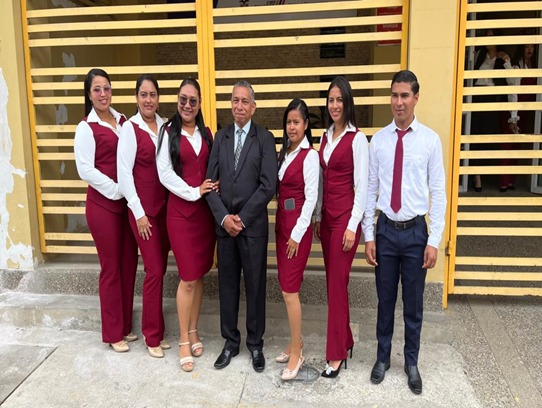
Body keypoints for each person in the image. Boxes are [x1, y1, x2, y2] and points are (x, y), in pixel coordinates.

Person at [363, 70, 446, 395]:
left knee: (413, 304)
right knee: (385, 301)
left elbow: (438, 192)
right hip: (385, 231)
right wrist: (369, 234)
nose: (399, 102)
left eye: (405, 96)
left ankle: (411, 362)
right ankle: (382, 357)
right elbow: (370, 189)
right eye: (394, 95)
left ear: (416, 98)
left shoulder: (430, 141)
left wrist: (434, 240)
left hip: (415, 234)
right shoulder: (379, 141)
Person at [205, 80, 278, 372]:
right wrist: (225, 218)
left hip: (253, 227)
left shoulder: (265, 138)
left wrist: (242, 218)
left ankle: (256, 344)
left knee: (256, 286)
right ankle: (230, 342)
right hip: (225, 229)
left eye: (245, 101)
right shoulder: (220, 138)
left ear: (253, 107)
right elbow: (209, 184)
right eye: (235, 100)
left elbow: (268, 185)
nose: (239, 106)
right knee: (227, 285)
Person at [74, 68, 138, 353]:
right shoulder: (86, 128)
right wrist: (116, 189)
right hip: (103, 206)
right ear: (89, 95)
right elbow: (85, 170)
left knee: (128, 264)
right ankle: (113, 333)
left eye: (107, 88)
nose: (103, 94)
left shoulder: (123, 120)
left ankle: (124, 325)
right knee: (111, 268)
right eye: (97, 89)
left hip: (126, 204)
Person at [157, 78, 216, 372]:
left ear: (200, 103)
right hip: (181, 214)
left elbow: (213, 169)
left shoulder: (207, 133)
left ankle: (194, 330)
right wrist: (194, 192)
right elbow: (164, 174)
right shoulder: (168, 132)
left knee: (200, 274)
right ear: (177, 100)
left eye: (193, 100)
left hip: (204, 216)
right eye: (183, 99)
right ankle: (182, 339)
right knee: (187, 278)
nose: (187, 105)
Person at [313, 76, 369, 379]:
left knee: (336, 286)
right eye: (331, 100)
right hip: (327, 219)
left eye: (339, 100)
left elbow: (363, 187)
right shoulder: (325, 136)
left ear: (348, 102)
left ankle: (335, 354)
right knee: (334, 286)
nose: (335, 105)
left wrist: (352, 226)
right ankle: (345, 339)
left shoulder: (357, 139)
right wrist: (317, 217)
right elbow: (321, 182)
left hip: (346, 221)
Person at [117, 74, 170, 358]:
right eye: (143, 94)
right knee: (154, 270)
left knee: (160, 270)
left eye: (152, 95)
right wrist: (138, 213)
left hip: (164, 209)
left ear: (158, 98)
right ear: (136, 98)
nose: (148, 100)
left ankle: (157, 330)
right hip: (143, 213)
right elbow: (124, 174)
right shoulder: (130, 128)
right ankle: (151, 336)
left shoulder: (165, 126)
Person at [275, 99, 319, 381]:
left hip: (296, 232)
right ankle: (294, 342)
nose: (291, 127)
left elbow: (311, 198)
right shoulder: (285, 152)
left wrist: (296, 234)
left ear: (305, 125)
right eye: (288, 122)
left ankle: (297, 352)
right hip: (282, 226)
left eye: (296, 122)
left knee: (290, 291)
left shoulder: (309, 156)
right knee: (285, 289)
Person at [469, 29, 510, 192]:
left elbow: (511, 81)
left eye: (491, 35)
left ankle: (483, 171)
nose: (488, 38)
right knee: (474, 135)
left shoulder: (501, 59)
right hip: (476, 97)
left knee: (487, 137)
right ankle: (477, 176)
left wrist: (506, 59)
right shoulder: (479, 55)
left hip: (492, 99)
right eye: (486, 35)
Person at [500, 43, 538, 192]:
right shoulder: (517, 66)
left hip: (526, 113)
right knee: (507, 146)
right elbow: (513, 93)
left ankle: (511, 181)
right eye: (527, 47)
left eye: (532, 47)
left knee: (516, 147)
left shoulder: (534, 67)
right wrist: (513, 117)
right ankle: (504, 182)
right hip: (512, 111)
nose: (530, 50)